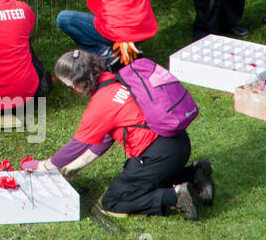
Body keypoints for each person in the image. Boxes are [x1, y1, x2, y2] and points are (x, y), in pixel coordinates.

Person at [26, 50, 213, 220]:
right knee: (142, 177)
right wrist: (73, 168)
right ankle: (194, 174)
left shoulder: (101, 104)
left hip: (158, 154)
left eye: (70, 87)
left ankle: (176, 196)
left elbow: (78, 144)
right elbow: (102, 142)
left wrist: (45, 165)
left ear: (78, 84)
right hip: (178, 143)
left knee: (113, 202)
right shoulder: (119, 79)